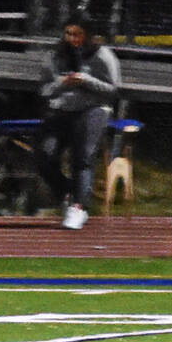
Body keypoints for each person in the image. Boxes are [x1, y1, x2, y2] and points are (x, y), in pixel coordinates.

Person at [36, 12, 120, 231]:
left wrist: (86, 80)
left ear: (88, 34)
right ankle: (67, 191)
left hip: (93, 109)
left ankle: (79, 206)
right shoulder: (54, 56)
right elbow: (44, 89)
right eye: (69, 33)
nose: (73, 39)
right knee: (44, 155)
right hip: (61, 109)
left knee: (82, 156)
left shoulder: (103, 55)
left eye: (78, 34)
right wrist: (63, 82)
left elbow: (112, 89)